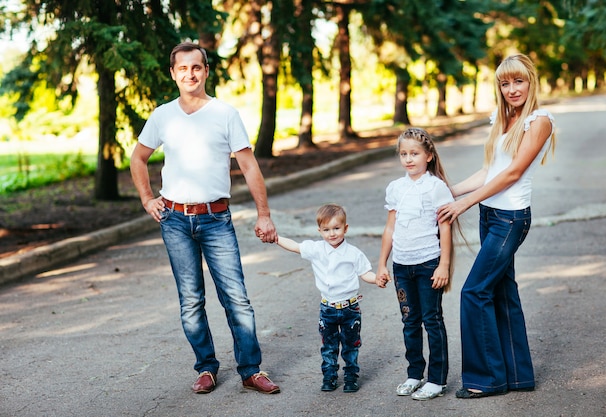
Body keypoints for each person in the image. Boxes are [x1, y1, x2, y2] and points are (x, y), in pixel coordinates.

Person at [130, 41, 280, 395]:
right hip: (175, 220)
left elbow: (248, 165)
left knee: (236, 298)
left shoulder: (225, 114)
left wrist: (264, 214)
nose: (189, 74)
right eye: (182, 68)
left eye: (196, 67)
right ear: (173, 73)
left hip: (216, 219)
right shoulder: (162, 115)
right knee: (191, 300)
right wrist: (147, 199)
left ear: (206, 71)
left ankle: (250, 369)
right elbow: (138, 158)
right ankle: (206, 367)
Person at [437, 54, 556, 399]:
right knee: (503, 293)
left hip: (510, 219)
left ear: (530, 81)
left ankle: (484, 378)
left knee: (474, 292)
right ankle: (518, 375)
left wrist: (464, 203)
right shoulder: (502, 119)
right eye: (505, 83)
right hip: (489, 215)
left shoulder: (539, 121)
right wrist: (450, 191)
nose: (512, 89)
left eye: (518, 81)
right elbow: (490, 169)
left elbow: (513, 173)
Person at [376, 127, 455, 401]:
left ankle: (437, 379)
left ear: (429, 156)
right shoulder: (395, 188)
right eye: (404, 154)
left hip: (428, 264)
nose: (409, 159)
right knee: (410, 320)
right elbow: (390, 229)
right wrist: (382, 264)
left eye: (415, 153)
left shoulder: (436, 187)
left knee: (431, 320)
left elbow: (445, 229)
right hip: (402, 266)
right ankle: (414, 374)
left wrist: (443, 265)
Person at [269, 204, 381, 393]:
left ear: (345, 228)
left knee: (350, 346)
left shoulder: (353, 253)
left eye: (336, 228)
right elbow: (295, 246)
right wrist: (276, 238)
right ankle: (329, 377)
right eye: (326, 230)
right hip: (327, 308)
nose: (332, 234)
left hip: (350, 308)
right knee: (328, 346)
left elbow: (365, 273)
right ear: (319, 231)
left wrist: (377, 279)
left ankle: (351, 377)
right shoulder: (316, 249)